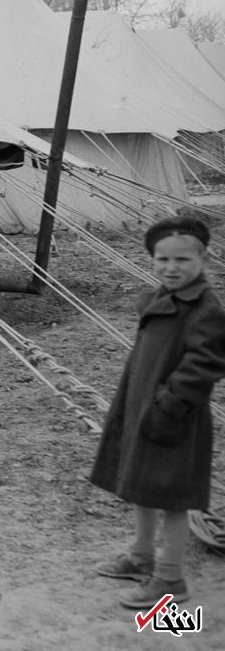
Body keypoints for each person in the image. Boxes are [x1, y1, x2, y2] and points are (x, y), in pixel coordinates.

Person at [90, 216, 225, 608]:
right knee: (141, 487)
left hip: (175, 419)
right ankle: (141, 555)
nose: (171, 268)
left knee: (174, 498)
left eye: (183, 260)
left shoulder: (205, 309)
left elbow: (204, 366)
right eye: (162, 260)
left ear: (204, 259)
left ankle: (170, 579)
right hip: (141, 410)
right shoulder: (159, 297)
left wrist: (168, 407)